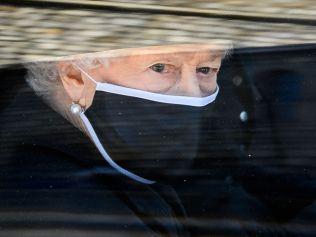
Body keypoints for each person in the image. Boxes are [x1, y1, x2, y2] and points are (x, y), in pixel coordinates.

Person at [0, 43, 294, 236]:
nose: (193, 94)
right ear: (74, 76)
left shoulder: (124, 154)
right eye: (161, 67)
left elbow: (217, 191)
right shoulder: (59, 212)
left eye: (205, 69)